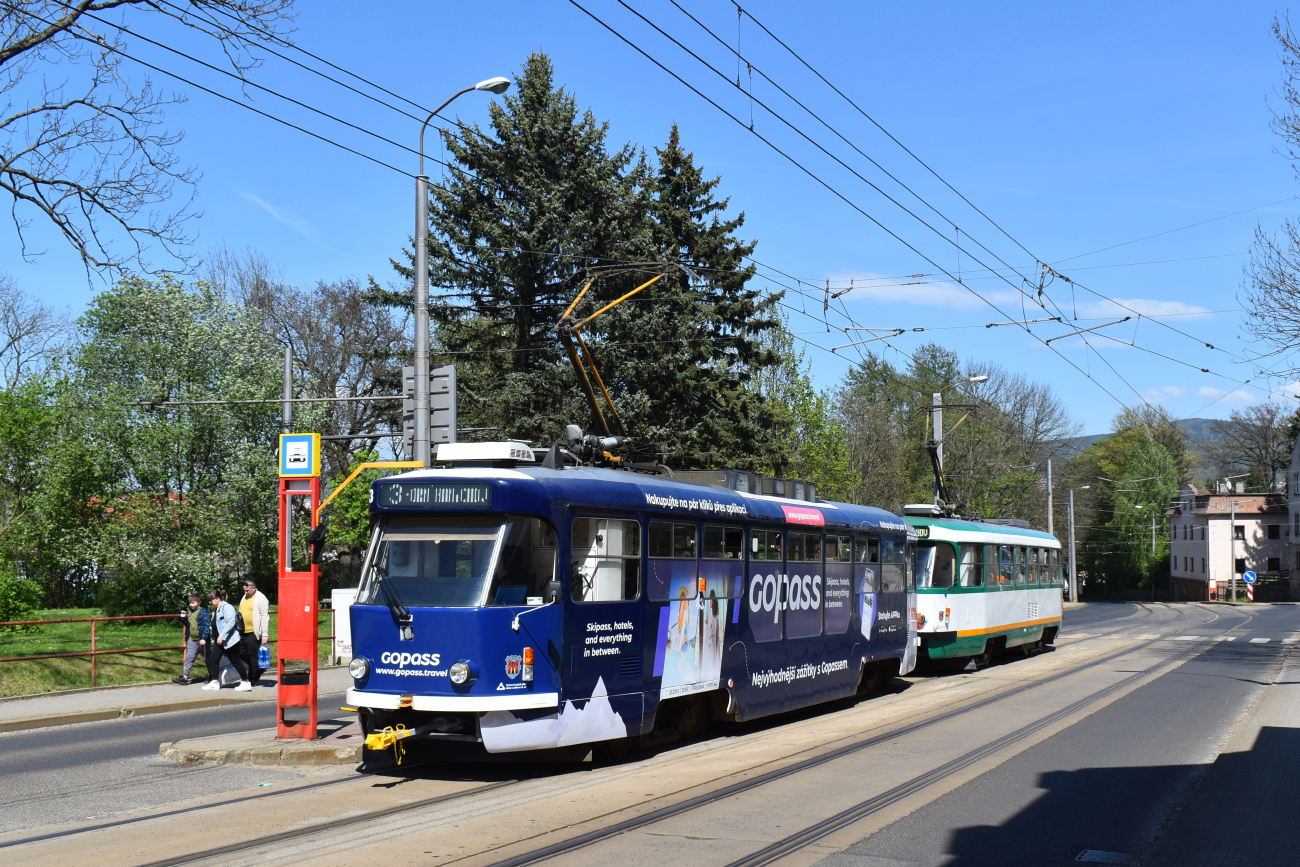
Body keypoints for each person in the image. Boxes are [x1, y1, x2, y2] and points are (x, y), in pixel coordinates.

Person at [203, 588, 251, 692]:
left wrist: (222, 636)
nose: (210, 602)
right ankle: (215, 682)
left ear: (217, 599)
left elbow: (230, 623)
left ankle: (246, 682)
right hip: (218, 641)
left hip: (229, 641)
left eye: (211, 600)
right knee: (213, 659)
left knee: (236, 660)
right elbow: (215, 625)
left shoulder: (227, 607)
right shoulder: (216, 610)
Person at [172, 593, 212, 685]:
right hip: (192, 639)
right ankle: (185, 677)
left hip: (202, 640)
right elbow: (188, 625)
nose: (191, 605)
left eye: (193, 603)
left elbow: (206, 625)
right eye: (190, 603)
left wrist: (204, 638)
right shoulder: (189, 612)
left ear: (199, 602)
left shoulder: (203, 612)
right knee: (189, 657)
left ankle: (212, 675)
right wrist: (183, 619)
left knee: (207, 658)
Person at [238, 579, 270, 685]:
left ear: (253, 588)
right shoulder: (245, 597)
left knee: (252, 656)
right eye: (244, 590)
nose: (245, 592)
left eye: (247, 590)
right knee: (241, 653)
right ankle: (259, 667)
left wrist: (264, 634)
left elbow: (265, 617)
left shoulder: (261, 599)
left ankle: (252, 678)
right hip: (243, 631)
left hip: (253, 632)